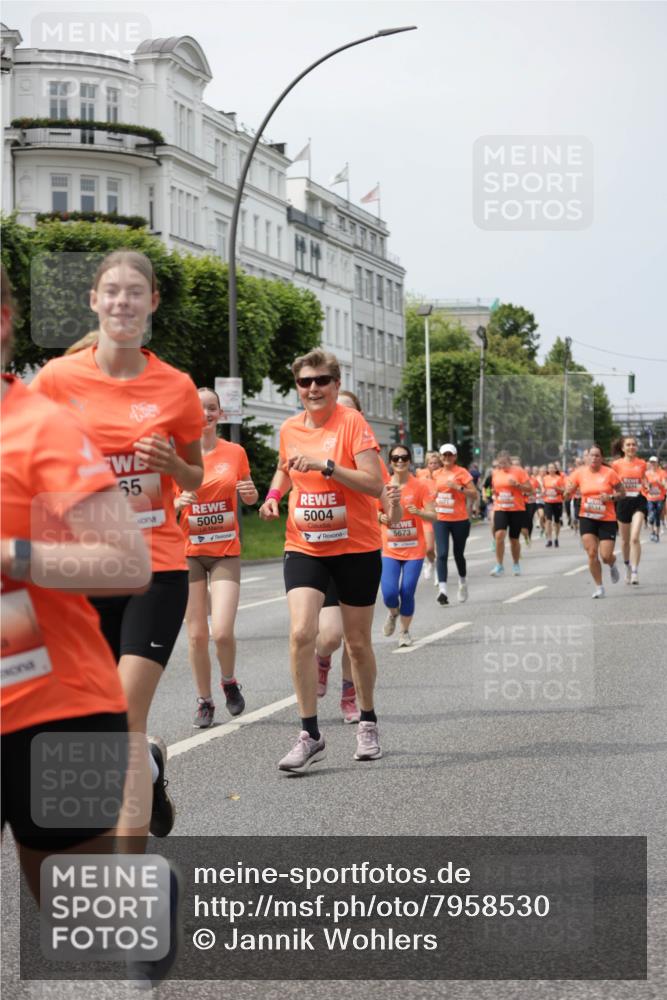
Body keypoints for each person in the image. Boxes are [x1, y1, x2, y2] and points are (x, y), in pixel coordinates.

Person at [29, 250, 204, 839]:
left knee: (122, 719)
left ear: (152, 302)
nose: (123, 301)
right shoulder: (56, 380)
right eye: (112, 291)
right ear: (94, 301)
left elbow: (197, 478)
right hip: (81, 571)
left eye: (135, 291)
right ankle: (149, 765)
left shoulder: (176, 388)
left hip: (155, 567)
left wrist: (173, 461)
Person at [1, 264, 150, 898]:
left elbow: (127, 564)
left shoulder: (39, 429)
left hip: (57, 708)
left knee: (79, 915)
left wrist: (12, 554)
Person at [259, 349, 394, 772]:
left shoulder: (351, 423)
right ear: (297, 387)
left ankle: (367, 722)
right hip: (306, 544)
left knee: (356, 643)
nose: (313, 388)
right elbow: (285, 467)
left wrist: (328, 466)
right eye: (305, 382)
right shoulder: (289, 428)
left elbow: (374, 484)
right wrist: (273, 497)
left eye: (321, 381)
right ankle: (309, 734)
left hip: (355, 546)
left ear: (336, 385)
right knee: (302, 632)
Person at [175, 387, 258, 728]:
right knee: (196, 636)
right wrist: (175, 504)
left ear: (220, 414)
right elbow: (159, 504)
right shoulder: (176, 455)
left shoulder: (235, 452)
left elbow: (249, 496)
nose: (205, 414)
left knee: (221, 631)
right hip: (187, 552)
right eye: (198, 409)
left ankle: (228, 682)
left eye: (211, 408)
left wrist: (251, 495)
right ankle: (204, 700)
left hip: (225, 550)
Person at [380, 444, 435, 646]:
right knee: (389, 593)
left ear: (410, 461)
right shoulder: (384, 486)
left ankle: (404, 632)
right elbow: (373, 510)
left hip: (414, 549)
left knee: (407, 590)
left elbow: (433, 515)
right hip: (390, 549)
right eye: (395, 458)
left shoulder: (420, 486)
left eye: (404, 458)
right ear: (390, 462)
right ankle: (393, 613)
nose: (400, 461)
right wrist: (379, 516)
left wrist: (420, 513)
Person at [564, 445, 624, 598]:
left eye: (597, 455)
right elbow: (565, 495)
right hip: (587, 516)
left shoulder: (609, 473)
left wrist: (610, 497)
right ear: (586, 457)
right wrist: (568, 491)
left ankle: (612, 563)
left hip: (606, 518)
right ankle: (599, 587)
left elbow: (622, 493)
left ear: (601, 458)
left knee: (605, 555)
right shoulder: (579, 473)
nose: (594, 458)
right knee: (591, 553)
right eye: (591, 455)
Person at [431, 443, 477, 605]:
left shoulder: (462, 472)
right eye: (444, 455)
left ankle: (462, 583)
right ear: (440, 457)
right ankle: (442, 590)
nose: (447, 458)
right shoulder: (435, 474)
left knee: (458, 554)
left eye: (450, 455)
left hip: (459, 520)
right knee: (442, 554)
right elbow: (430, 492)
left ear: (455, 457)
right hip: (441, 519)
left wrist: (458, 487)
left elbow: (475, 494)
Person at [612, 437, 648, 585]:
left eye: (634, 444)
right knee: (625, 541)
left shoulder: (642, 464)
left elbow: (644, 479)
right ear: (622, 448)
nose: (631, 447)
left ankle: (634, 571)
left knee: (634, 538)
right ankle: (627, 566)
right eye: (628, 445)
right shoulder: (616, 465)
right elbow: (612, 482)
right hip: (622, 502)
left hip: (638, 501)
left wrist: (647, 485)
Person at [489, 451, 531, 576]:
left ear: (510, 462)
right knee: (499, 535)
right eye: (500, 464)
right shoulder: (496, 473)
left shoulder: (519, 471)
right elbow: (495, 489)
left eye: (504, 463)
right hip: (501, 508)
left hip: (516, 509)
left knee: (514, 539)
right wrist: (494, 495)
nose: (502, 466)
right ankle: (499, 565)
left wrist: (518, 485)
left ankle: (516, 563)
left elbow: (530, 489)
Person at [416, 451, 441, 582]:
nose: (434, 465)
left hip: (442, 517)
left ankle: (440, 571)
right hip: (426, 516)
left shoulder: (443, 478)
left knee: (440, 548)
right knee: (429, 548)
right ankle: (432, 563)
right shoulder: (421, 478)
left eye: (436, 463)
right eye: (431, 463)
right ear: (427, 464)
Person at [542, 462, 566, 548]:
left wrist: (557, 488)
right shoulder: (545, 478)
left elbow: (563, 490)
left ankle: (556, 538)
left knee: (556, 522)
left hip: (557, 501)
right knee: (548, 521)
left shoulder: (559, 478)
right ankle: (549, 539)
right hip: (548, 501)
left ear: (556, 470)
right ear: (548, 470)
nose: (551, 469)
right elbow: (544, 489)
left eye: (553, 468)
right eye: (549, 468)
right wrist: (544, 492)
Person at [644, 456, 665, 542]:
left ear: (657, 463)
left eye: (654, 462)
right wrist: (647, 486)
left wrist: (659, 482)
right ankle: (652, 532)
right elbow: (645, 483)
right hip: (650, 498)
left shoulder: (662, 472)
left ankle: (656, 534)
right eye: (651, 462)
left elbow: (664, 483)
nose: (652, 464)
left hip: (660, 497)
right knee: (652, 515)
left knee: (657, 516)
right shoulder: (647, 473)